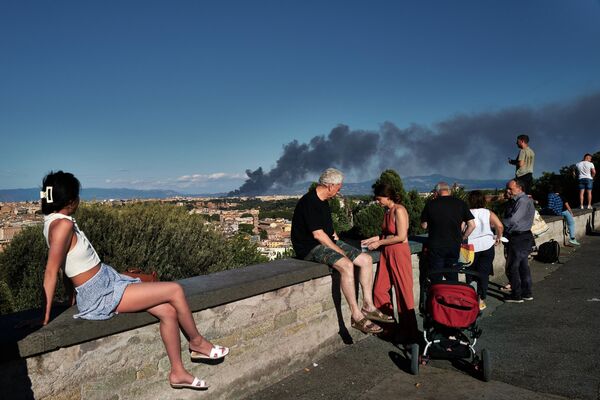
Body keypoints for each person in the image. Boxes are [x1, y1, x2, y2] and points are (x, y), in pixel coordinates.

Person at [40, 171, 227, 391]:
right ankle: (196, 343)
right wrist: (44, 319)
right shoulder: (62, 226)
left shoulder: (55, 222)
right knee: (175, 290)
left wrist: (70, 298)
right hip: (101, 292)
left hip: (108, 281)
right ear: (71, 202)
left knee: (167, 311)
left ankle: (178, 373)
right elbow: (52, 271)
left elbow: (67, 267)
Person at [291, 168, 390, 335]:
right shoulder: (309, 202)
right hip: (309, 247)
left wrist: (340, 242)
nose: (339, 189)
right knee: (346, 265)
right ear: (329, 185)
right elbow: (319, 235)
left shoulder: (324, 201)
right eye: (338, 186)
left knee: (365, 260)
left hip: (326, 240)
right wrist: (341, 251)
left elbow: (328, 231)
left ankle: (368, 305)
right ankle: (356, 316)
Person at [361, 182, 418, 343]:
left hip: (399, 252)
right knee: (379, 289)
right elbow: (386, 235)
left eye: (379, 199)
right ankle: (390, 326)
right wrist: (373, 239)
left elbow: (400, 236)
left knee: (403, 292)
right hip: (387, 252)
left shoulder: (399, 210)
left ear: (388, 197)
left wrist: (379, 243)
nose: (378, 202)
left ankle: (410, 332)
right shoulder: (387, 211)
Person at [420, 182, 476, 282]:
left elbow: (424, 226)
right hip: (454, 245)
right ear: (449, 191)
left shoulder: (430, 204)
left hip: (436, 246)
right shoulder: (460, 203)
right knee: (452, 275)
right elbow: (472, 225)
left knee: (436, 276)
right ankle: (452, 295)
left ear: (437, 192)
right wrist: (463, 237)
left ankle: (437, 295)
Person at [465, 191, 504, 311]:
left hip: (471, 247)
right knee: (484, 273)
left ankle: (470, 297)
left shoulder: (466, 213)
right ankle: (481, 299)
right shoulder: (488, 213)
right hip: (487, 246)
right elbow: (500, 226)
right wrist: (498, 237)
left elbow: (462, 229)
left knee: (470, 273)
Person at [502, 179, 535, 303]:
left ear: (519, 188)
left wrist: (497, 225)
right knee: (522, 266)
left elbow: (513, 220)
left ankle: (516, 295)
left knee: (512, 266)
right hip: (524, 236)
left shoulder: (522, 201)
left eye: (510, 188)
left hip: (519, 237)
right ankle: (526, 293)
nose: (508, 191)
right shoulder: (524, 200)